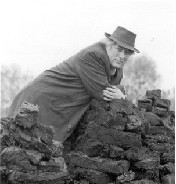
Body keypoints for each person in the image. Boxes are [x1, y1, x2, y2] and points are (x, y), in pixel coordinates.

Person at [8, 26, 140, 150]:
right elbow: (102, 93)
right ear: (109, 45)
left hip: (61, 104)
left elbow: (113, 93)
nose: (122, 56)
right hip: (42, 98)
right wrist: (122, 97)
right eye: (119, 49)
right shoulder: (93, 55)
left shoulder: (117, 68)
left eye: (127, 52)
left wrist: (120, 97)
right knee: (24, 148)